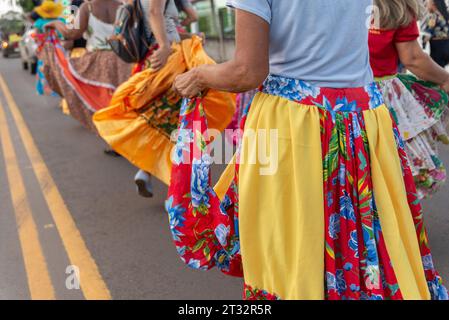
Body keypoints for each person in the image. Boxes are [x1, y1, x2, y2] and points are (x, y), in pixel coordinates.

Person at [169, 0, 448, 300]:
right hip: (363, 122)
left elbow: (247, 72)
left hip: (293, 126)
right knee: (365, 251)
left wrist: (198, 76)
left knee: (294, 254)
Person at [92, 0, 235, 197]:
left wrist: (178, 37)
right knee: (186, 117)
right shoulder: (166, 36)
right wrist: (166, 46)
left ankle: (151, 174)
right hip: (170, 59)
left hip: (155, 57)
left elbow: (159, 18)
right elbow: (156, 12)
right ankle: (177, 189)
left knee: (163, 117)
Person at [370, 0, 449, 199]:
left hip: (328, 95)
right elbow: (412, 57)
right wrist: (445, 79)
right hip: (379, 99)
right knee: (390, 174)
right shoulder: (395, 5)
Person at [42, 0, 132, 132]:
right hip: (122, 61)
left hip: (96, 61)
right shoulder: (123, 6)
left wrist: (56, 24)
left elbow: (71, 33)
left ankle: (114, 137)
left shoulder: (82, 7)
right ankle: (124, 135)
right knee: (120, 101)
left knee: (103, 103)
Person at [422, 0, 449, 67]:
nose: (426, 6)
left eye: (427, 3)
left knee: (437, 69)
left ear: (433, 4)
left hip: (437, 46)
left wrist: (423, 45)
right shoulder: (445, 15)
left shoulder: (433, 16)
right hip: (446, 44)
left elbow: (428, 32)